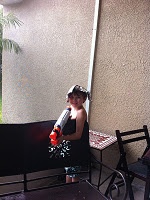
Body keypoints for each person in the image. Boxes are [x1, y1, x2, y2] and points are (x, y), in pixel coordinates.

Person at [57, 85, 91, 183]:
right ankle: (68, 190)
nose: (74, 100)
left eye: (78, 97)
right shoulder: (70, 108)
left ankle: (75, 192)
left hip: (77, 147)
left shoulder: (81, 113)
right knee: (68, 171)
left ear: (84, 99)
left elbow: (78, 135)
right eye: (72, 97)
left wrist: (63, 138)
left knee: (74, 173)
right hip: (69, 145)